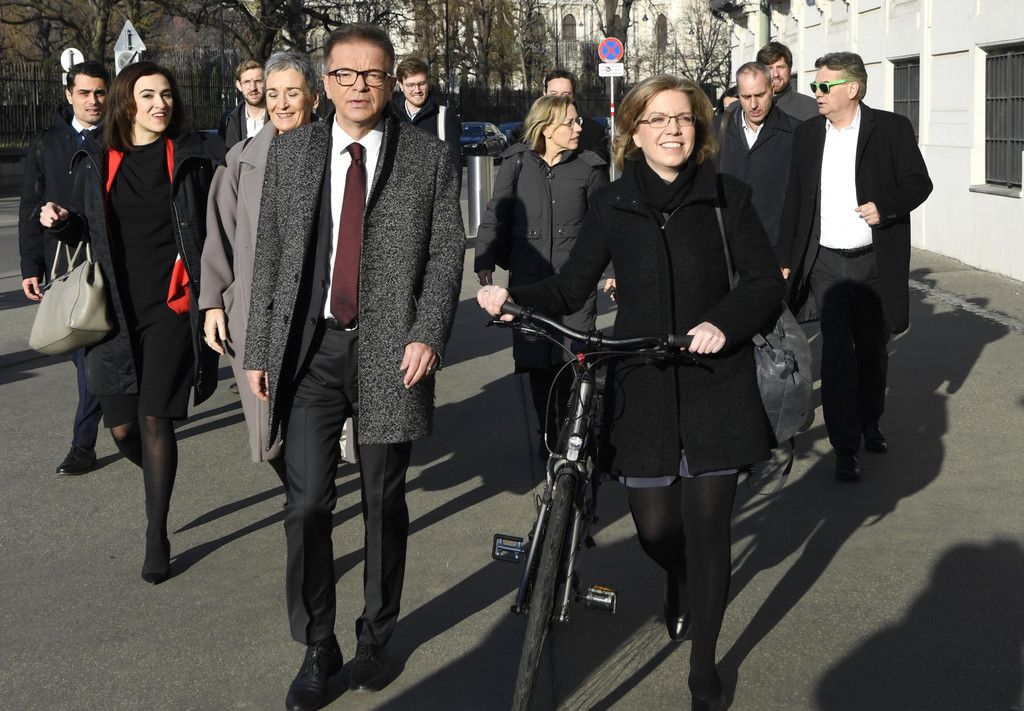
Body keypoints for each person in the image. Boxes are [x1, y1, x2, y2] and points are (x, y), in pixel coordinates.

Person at [477, 75, 785, 709]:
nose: (672, 129)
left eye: (684, 119)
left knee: (710, 530)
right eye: (658, 119)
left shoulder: (728, 197)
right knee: (655, 529)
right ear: (635, 133)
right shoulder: (613, 203)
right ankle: (677, 577)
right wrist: (513, 299)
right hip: (641, 385)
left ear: (698, 130)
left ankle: (704, 664)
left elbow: (763, 283)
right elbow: (571, 287)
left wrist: (722, 324)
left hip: (716, 383)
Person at [242, 24, 464, 709]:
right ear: (326, 82)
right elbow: (270, 253)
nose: (359, 85)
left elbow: (445, 253)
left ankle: (375, 635)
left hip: (391, 351)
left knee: (381, 500)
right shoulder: (294, 151)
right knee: (307, 502)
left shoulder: (428, 157)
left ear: (391, 81)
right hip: (311, 351)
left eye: (373, 74)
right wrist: (259, 349)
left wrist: (428, 334)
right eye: (345, 73)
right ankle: (318, 643)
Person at [39, 62, 220, 585]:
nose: (160, 104)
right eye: (148, 95)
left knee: (155, 418)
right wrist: (61, 223)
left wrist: (214, 297)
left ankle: (156, 533)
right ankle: (159, 475)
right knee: (122, 430)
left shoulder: (189, 156)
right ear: (127, 102)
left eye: (166, 94)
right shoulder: (98, 158)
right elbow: (86, 227)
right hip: (114, 311)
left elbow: (213, 228)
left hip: (171, 308)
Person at [778, 52, 932, 482]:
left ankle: (870, 423)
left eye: (824, 86)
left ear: (852, 89)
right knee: (835, 357)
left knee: (872, 351)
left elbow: (919, 183)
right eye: (815, 85)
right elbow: (795, 198)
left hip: (873, 262)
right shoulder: (809, 134)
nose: (816, 93)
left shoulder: (891, 129)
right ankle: (845, 447)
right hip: (825, 263)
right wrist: (786, 259)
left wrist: (885, 207)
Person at [202, 51, 321, 487]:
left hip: (317, 310)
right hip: (256, 311)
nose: (281, 104)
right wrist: (214, 303)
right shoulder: (241, 158)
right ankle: (301, 497)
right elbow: (219, 233)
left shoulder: (339, 154)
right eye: (273, 94)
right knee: (269, 424)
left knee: (315, 417)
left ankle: (308, 498)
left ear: (315, 97)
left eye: (292, 93)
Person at [474, 94, 607, 454]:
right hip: (528, 282)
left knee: (575, 358)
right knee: (537, 361)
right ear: (547, 128)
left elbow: (605, 225)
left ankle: (574, 436)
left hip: (575, 283)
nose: (578, 128)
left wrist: (612, 271)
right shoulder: (517, 162)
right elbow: (496, 213)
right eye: (570, 123)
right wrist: (484, 261)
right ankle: (548, 433)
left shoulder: (590, 168)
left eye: (578, 121)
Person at [19, 60, 108, 476]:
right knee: (81, 353)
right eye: (84, 93)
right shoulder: (45, 143)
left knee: (94, 356)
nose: (93, 101)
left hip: (110, 259)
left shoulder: (120, 136)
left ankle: (82, 444)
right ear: (69, 95)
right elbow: (30, 206)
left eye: (100, 92)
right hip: (64, 266)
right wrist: (30, 265)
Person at [718, 62, 799, 258]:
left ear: (772, 89)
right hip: (726, 252)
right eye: (746, 97)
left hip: (773, 253)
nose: (753, 105)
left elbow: (800, 200)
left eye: (760, 95)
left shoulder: (796, 133)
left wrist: (787, 256)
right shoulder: (717, 129)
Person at [390, 56, 462, 169]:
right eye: (410, 85)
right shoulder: (389, 116)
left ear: (428, 83)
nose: (417, 90)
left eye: (422, 83)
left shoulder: (445, 118)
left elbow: (454, 168)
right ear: (401, 85)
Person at [544, 69, 610, 162]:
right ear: (544, 95)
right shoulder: (532, 130)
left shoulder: (594, 130)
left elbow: (600, 166)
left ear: (573, 96)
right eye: (553, 94)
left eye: (565, 95)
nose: (559, 99)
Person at [756, 41, 819, 122]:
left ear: (790, 69)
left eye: (780, 67)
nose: (775, 74)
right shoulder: (749, 107)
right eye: (769, 68)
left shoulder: (811, 109)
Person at [219, 59, 268, 150]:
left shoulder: (278, 117)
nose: (253, 88)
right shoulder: (229, 120)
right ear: (239, 85)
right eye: (247, 82)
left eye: (258, 81)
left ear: (266, 83)